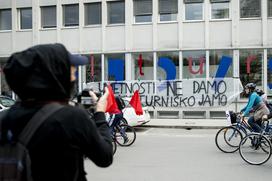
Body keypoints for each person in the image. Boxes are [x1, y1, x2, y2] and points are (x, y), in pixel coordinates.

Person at [1, 43, 113, 181]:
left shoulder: (5, 118)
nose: (74, 78)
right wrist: (100, 112)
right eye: (71, 73)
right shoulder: (72, 118)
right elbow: (105, 157)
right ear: (55, 77)